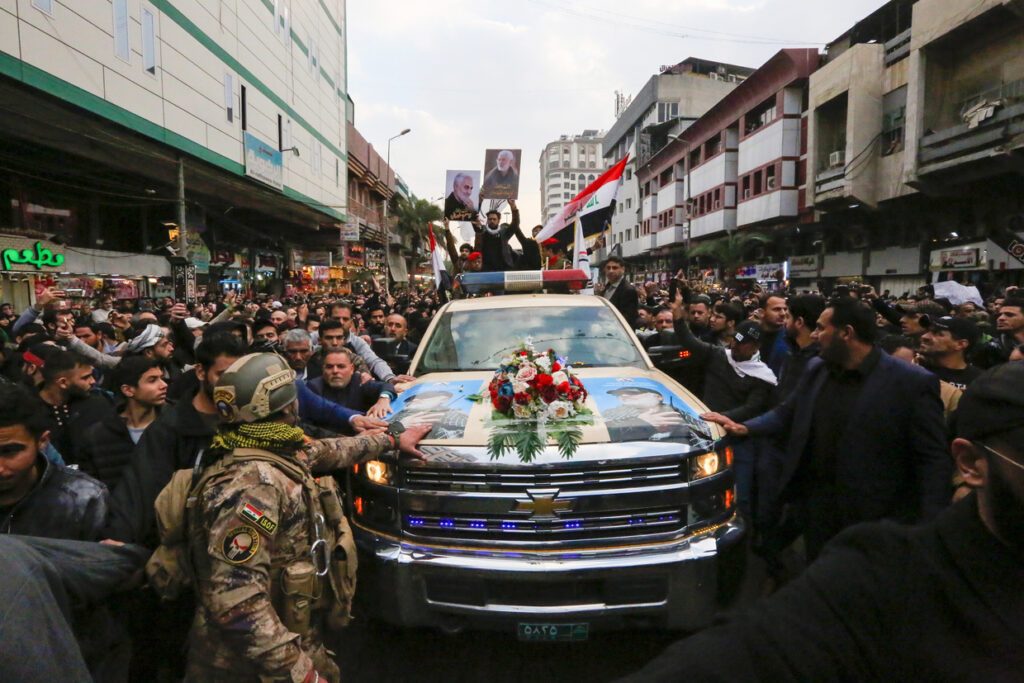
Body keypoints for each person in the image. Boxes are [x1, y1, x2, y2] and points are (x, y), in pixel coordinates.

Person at [623, 362, 1024, 681]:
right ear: (972, 463)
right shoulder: (885, 580)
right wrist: (747, 427)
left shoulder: (908, 383)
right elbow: (739, 658)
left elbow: (928, 458)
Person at [181, 352, 431, 682]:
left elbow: (329, 451)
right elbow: (237, 601)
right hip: (247, 665)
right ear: (288, 405)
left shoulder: (270, 449)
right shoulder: (252, 485)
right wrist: (303, 674)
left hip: (288, 634)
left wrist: (392, 439)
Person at [703, 297, 951, 560]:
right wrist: (745, 427)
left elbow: (933, 460)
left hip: (874, 514)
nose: (816, 335)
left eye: (822, 328)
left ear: (846, 333)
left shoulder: (911, 382)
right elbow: (788, 411)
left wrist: (928, 530)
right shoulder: (817, 368)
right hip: (817, 506)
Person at [76, 356, 167, 490]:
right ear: (128, 390)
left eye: (162, 378)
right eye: (152, 380)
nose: (163, 385)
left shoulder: (175, 423)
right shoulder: (97, 436)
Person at [307, 348, 396, 417]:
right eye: (329, 367)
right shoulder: (313, 388)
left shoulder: (358, 381)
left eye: (341, 366)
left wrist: (384, 399)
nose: (335, 371)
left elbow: (385, 386)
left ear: (351, 369)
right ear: (323, 369)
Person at [918, 315, 983, 390]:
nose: (924, 336)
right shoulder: (914, 369)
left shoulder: (979, 381)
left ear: (960, 344)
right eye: (927, 331)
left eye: (937, 333)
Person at [474, 199, 523, 272]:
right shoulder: (482, 231)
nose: (492, 221)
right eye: (490, 219)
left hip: (504, 268)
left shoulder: (504, 232)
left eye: (494, 219)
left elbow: (515, 224)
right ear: (487, 220)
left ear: (498, 220)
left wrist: (513, 207)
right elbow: (475, 220)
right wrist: (480, 202)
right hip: (486, 269)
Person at [599, 255, 639, 327]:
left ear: (622, 269)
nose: (611, 271)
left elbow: (628, 318)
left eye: (615, 268)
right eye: (608, 268)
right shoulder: (606, 289)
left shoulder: (628, 290)